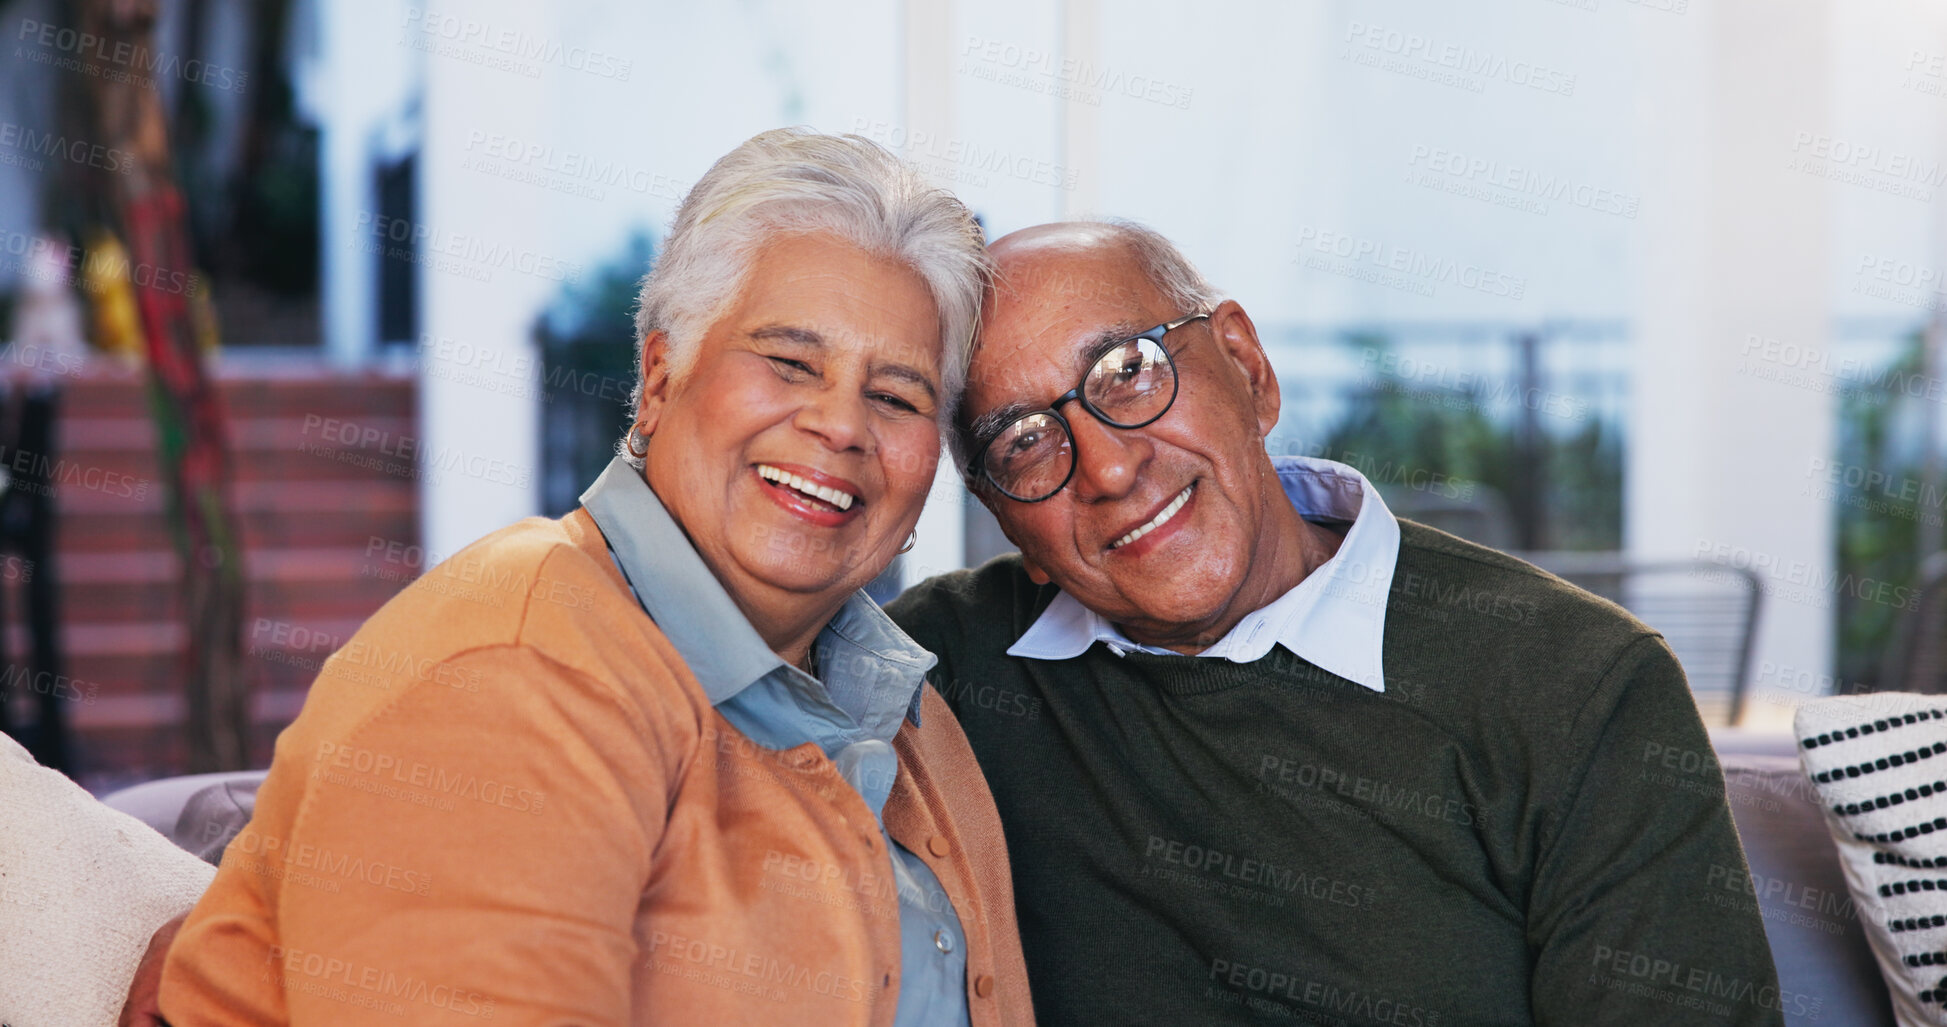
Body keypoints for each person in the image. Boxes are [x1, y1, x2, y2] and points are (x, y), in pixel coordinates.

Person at [159, 129, 1032, 1026]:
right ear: (659, 379)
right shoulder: (519, 669)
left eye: (896, 395)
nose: (840, 425)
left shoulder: (911, 714)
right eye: (788, 362)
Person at [886, 220, 1782, 1025]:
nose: (1110, 470)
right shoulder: (934, 671)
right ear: (1003, 516)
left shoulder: (1579, 684)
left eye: (1128, 372)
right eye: (1023, 439)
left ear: (1246, 367)